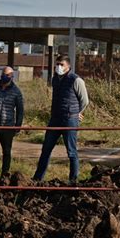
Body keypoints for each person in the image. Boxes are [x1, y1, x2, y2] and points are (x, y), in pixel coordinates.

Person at [33, 55, 89, 185]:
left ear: (68, 66)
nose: (58, 67)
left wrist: (77, 113)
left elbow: (85, 100)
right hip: (55, 118)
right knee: (46, 149)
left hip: (70, 120)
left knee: (71, 151)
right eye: (57, 64)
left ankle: (73, 180)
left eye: (61, 64)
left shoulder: (76, 80)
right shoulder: (55, 79)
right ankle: (38, 178)